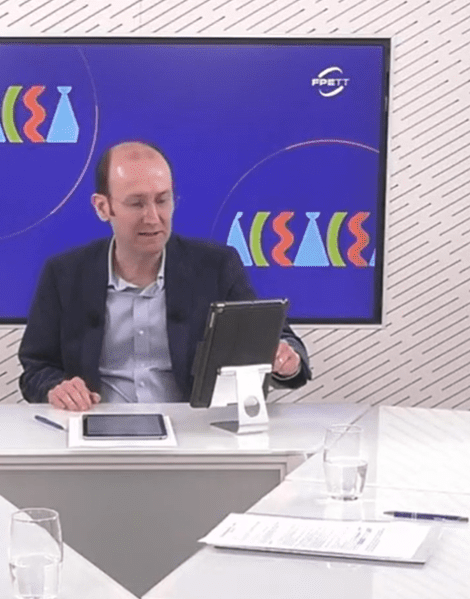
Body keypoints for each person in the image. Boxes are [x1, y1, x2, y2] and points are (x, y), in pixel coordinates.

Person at [17, 141, 312, 411]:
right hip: (96, 428)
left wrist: (286, 361)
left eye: (162, 200)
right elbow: (36, 369)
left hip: (192, 434)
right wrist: (56, 388)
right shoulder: (65, 274)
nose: (153, 217)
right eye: (137, 203)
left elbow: (278, 340)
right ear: (103, 207)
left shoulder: (216, 267)